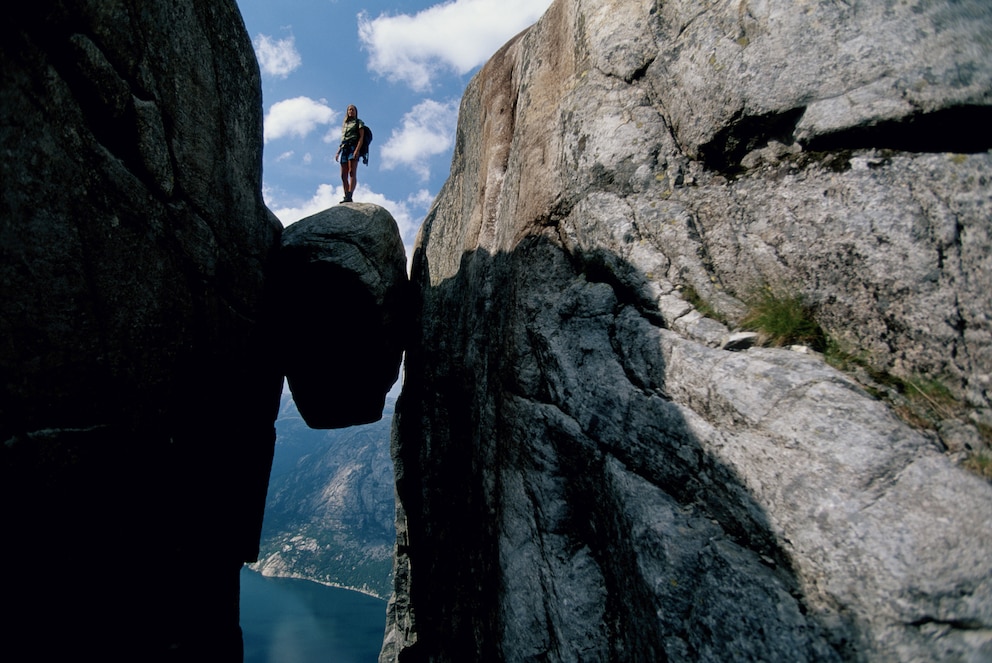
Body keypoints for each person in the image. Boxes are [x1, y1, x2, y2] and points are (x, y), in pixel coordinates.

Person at [335, 104, 366, 203]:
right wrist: (338, 151)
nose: (351, 111)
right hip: (344, 148)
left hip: (353, 147)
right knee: (343, 175)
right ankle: (346, 195)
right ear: (347, 112)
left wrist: (357, 150)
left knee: (352, 172)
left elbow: (361, 138)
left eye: (353, 110)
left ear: (356, 112)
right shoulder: (345, 124)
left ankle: (350, 194)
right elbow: (343, 139)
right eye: (349, 110)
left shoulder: (358, 122)